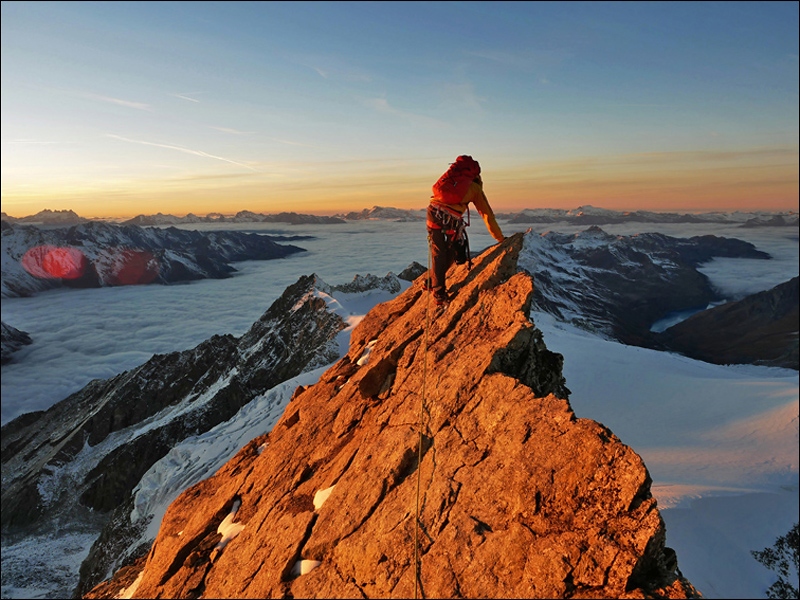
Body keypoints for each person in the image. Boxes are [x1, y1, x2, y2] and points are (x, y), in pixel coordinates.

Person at [427, 155, 505, 305]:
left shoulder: (451, 178)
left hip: (433, 212)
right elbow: (487, 215)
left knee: (438, 251)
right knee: (452, 251)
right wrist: (500, 238)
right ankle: (438, 292)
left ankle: (435, 283)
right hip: (451, 220)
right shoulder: (475, 189)